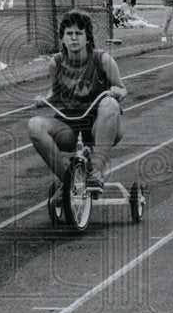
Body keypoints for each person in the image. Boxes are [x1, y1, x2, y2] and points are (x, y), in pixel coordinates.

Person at [28, 10, 126, 201]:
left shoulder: (103, 60)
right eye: (69, 34)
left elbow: (122, 89)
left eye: (79, 34)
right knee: (34, 125)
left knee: (109, 103)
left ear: (88, 38)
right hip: (71, 126)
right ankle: (67, 181)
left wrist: (117, 93)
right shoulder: (56, 63)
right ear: (62, 39)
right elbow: (55, 94)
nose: (74, 39)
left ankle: (95, 173)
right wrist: (44, 100)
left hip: (102, 124)